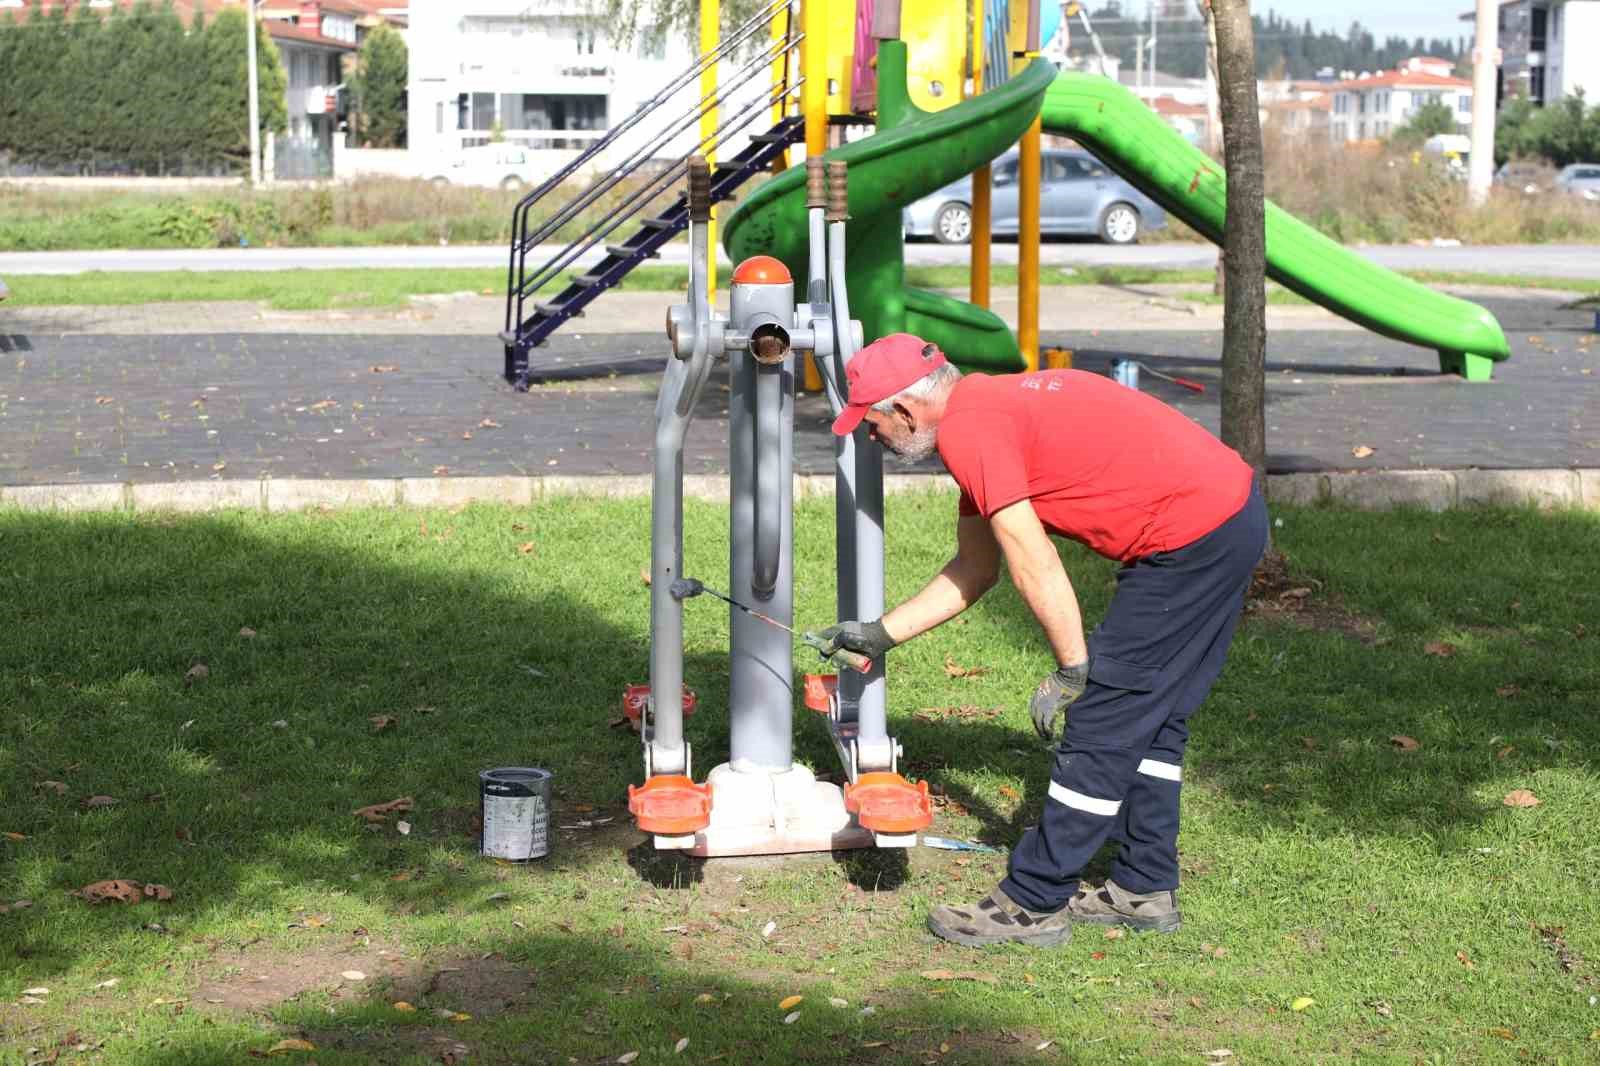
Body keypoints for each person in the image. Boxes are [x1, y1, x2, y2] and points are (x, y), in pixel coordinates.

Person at [819, 333, 1267, 948]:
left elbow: (1032, 555)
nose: (873, 438)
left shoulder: (969, 433)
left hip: (1192, 536)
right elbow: (975, 569)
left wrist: (1072, 668)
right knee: (1154, 716)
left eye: (872, 425)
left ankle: (1033, 902)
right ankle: (1142, 887)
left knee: (1103, 719)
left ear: (905, 411)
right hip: (1228, 515)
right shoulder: (983, 411)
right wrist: (878, 635)